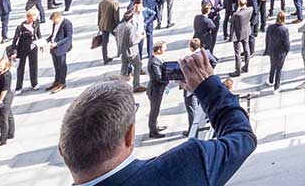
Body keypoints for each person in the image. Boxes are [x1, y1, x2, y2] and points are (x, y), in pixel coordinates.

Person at [57, 49, 257, 186]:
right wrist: (207, 88)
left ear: (62, 149)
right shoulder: (182, 167)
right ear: (129, 135)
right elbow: (241, 137)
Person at [12, 8, 42, 91]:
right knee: (20, 67)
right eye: (34, 17)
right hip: (22, 49)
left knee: (34, 66)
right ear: (29, 17)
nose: (35, 18)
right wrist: (14, 52)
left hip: (33, 47)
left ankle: (34, 83)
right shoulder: (20, 28)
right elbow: (15, 40)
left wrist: (42, 44)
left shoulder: (36, 23)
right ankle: (18, 87)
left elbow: (38, 34)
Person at [146, 42, 169, 138]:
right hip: (155, 90)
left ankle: (155, 126)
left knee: (156, 109)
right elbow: (159, 77)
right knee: (154, 111)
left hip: (157, 90)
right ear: (158, 50)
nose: (166, 49)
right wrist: (169, 78)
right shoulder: (154, 62)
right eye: (164, 48)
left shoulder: (157, 59)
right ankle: (153, 131)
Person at [46, 11, 73, 93]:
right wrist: (47, 40)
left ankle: (62, 82)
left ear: (58, 18)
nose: (54, 22)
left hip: (61, 47)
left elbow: (68, 37)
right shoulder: (55, 24)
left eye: (54, 21)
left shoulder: (67, 23)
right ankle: (56, 81)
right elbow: (54, 34)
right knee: (56, 65)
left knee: (62, 65)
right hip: (53, 47)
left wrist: (57, 44)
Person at [264, 11, 290, 92]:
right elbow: (286, 43)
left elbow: (267, 39)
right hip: (280, 52)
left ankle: (270, 80)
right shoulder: (284, 30)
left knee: (272, 66)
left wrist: (267, 48)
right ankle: (276, 87)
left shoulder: (270, 27)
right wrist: (287, 51)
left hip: (272, 50)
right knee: (279, 69)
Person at [230, 0, 254, 76]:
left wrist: (237, 10)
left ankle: (238, 70)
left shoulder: (237, 14)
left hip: (237, 34)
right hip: (246, 31)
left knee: (237, 52)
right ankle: (246, 66)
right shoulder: (250, 9)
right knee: (246, 49)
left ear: (239, 3)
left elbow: (231, 21)